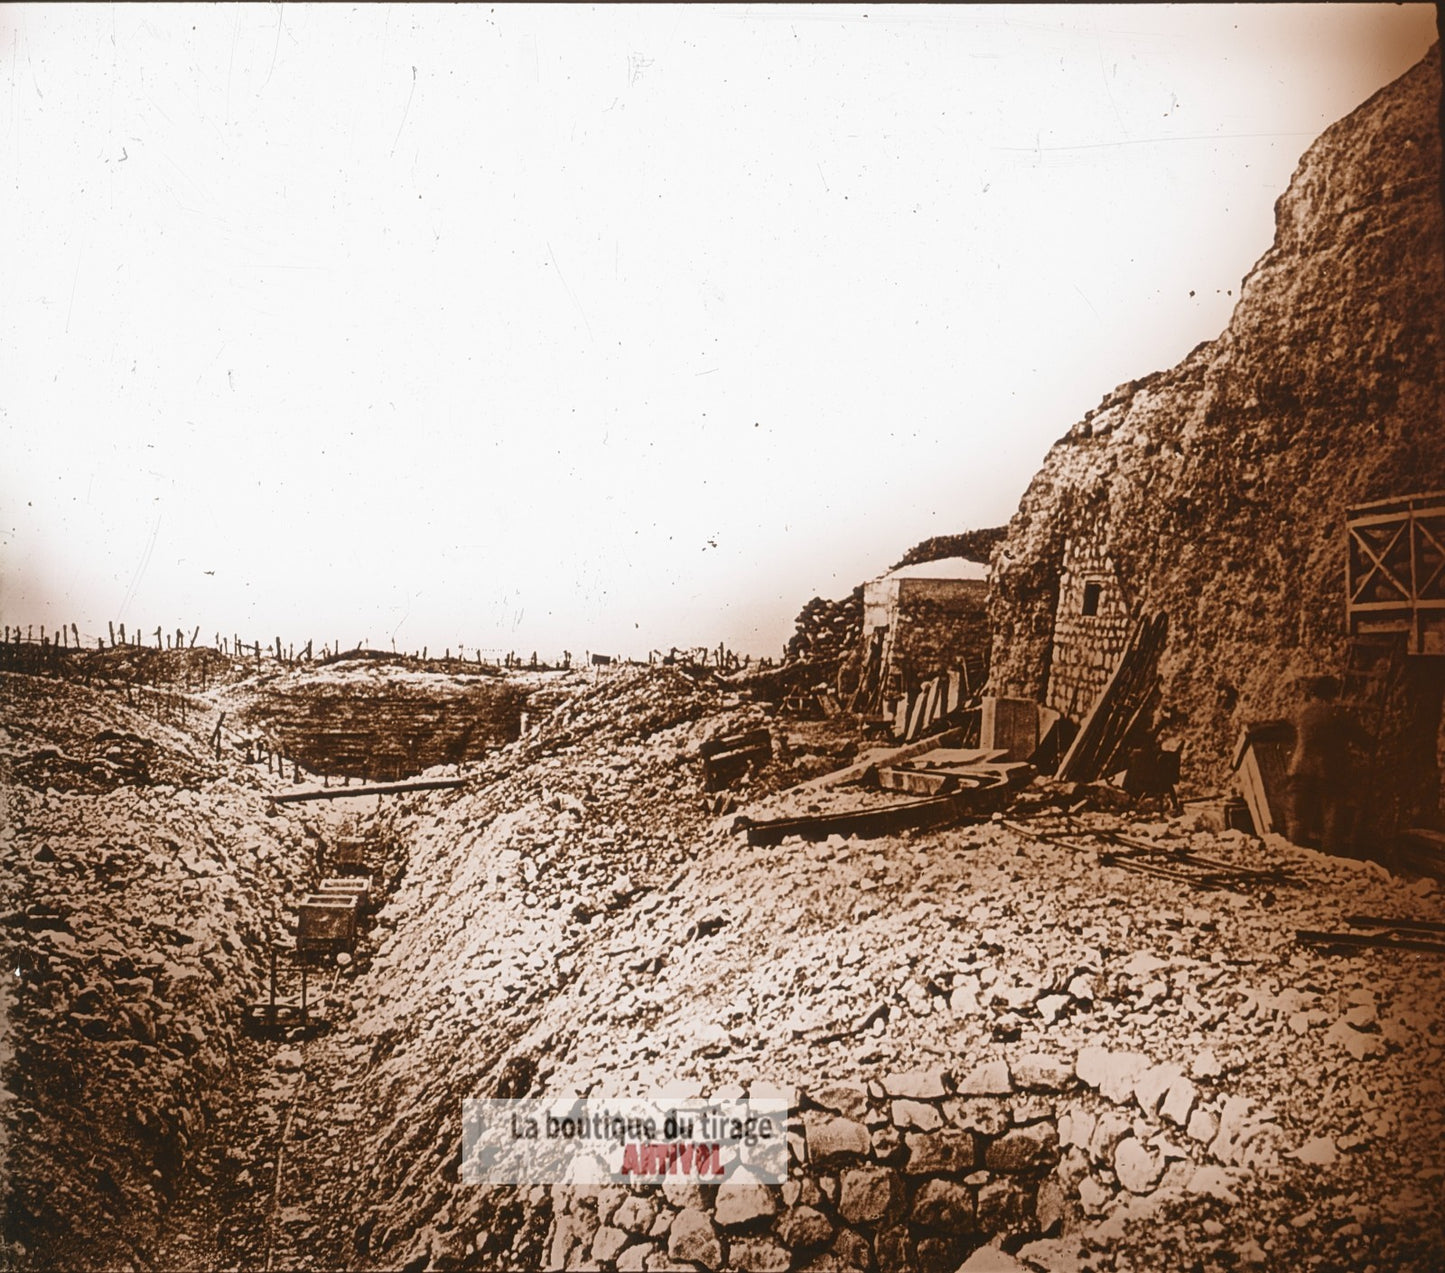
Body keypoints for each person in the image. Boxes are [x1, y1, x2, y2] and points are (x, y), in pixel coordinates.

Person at [1285, 675, 1368, 855]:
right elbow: (1360, 736)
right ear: (1331, 694)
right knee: (1332, 819)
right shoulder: (1336, 714)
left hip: (1299, 770)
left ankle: (1294, 856)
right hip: (1327, 772)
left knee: (1298, 818)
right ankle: (1331, 859)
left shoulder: (1301, 712)